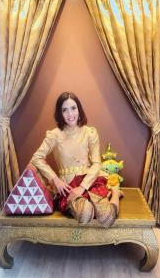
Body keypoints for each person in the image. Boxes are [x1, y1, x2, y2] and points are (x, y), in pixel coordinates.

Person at [30, 91, 122, 228]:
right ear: (60, 113)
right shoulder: (54, 135)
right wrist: (55, 179)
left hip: (89, 181)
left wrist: (82, 187)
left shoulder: (89, 132)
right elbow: (36, 158)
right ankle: (100, 198)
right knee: (85, 214)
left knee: (107, 218)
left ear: (79, 109)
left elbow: (97, 163)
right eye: (64, 110)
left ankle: (115, 192)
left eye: (73, 108)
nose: (70, 114)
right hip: (67, 186)